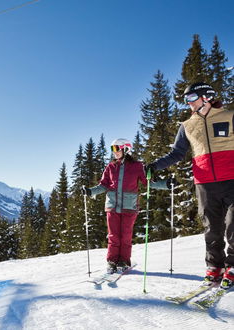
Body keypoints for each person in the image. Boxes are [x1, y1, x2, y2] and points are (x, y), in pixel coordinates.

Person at [146, 82, 234, 289]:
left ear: (206, 97)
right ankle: (215, 267)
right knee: (212, 227)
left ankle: (232, 267)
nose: (187, 103)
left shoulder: (229, 116)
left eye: (191, 97)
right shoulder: (187, 126)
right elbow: (177, 153)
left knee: (233, 224)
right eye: (185, 99)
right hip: (204, 183)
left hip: (231, 178)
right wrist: (154, 166)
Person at [83, 138, 173, 274]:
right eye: (112, 149)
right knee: (113, 236)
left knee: (125, 236)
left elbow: (148, 182)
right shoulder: (111, 167)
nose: (114, 152)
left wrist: (166, 184)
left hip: (129, 206)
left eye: (116, 148)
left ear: (125, 149)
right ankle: (112, 261)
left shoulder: (137, 166)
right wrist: (90, 191)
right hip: (112, 206)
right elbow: (103, 185)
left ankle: (124, 261)